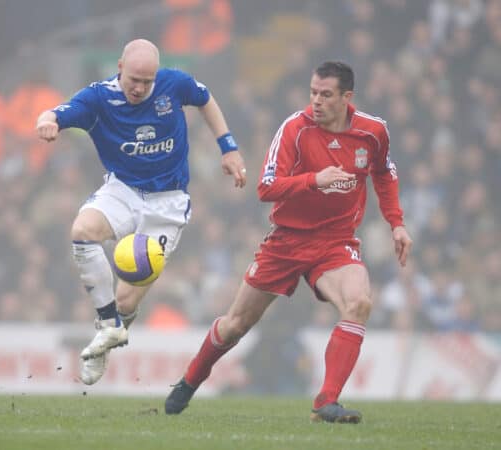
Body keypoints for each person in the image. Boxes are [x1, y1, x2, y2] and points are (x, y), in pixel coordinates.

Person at [165, 61, 412, 423]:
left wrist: (397, 224)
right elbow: (266, 187)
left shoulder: (373, 132)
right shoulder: (295, 128)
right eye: (313, 92)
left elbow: (384, 175)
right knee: (235, 325)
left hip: (335, 241)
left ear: (347, 97)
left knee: (358, 303)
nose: (317, 101)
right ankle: (189, 381)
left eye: (326, 95)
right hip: (286, 241)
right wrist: (315, 179)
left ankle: (325, 403)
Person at [36, 39, 246, 386]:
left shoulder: (174, 84)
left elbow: (205, 99)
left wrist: (229, 148)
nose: (139, 87)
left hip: (168, 204)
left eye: (147, 81)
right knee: (82, 231)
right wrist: (46, 122)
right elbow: (57, 113)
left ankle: (111, 331)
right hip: (123, 190)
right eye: (134, 79)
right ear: (119, 67)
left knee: (126, 298)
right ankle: (108, 326)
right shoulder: (98, 98)